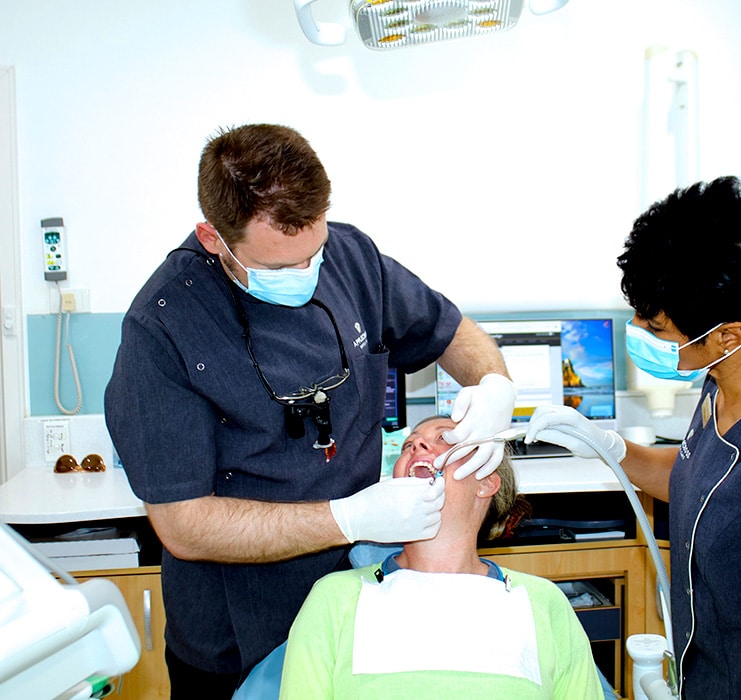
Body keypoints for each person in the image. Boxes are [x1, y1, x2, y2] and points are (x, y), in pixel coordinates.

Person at [104, 123, 516, 698]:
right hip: (236, 636)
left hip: (359, 603)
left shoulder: (350, 258)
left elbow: (450, 332)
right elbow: (183, 525)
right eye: (277, 268)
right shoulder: (164, 328)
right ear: (212, 237)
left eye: (313, 253)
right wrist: (348, 519)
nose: (305, 274)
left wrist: (494, 384)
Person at [526, 177, 741, 699]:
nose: (641, 332)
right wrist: (610, 448)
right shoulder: (722, 381)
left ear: (728, 334)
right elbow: (701, 480)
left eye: (658, 328)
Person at [278, 416, 606, 700]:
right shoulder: (335, 597)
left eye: (444, 439)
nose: (417, 446)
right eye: (409, 445)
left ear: (487, 483)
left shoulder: (542, 602)